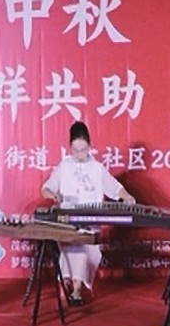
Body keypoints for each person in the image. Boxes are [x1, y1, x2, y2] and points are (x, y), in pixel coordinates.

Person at [41, 121, 135, 305]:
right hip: (67, 223)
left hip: (91, 223)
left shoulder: (97, 168)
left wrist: (127, 196)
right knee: (73, 244)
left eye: (83, 150)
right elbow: (46, 189)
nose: (79, 154)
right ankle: (75, 288)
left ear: (90, 146)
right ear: (69, 147)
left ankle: (75, 287)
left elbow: (115, 188)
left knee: (84, 245)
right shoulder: (64, 166)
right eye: (75, 150)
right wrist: (53, 195)